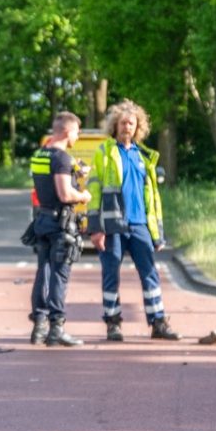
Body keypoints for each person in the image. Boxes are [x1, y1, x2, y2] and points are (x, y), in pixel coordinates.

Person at [87, 100, 178, 342]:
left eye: (132, 123)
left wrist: (157, 233)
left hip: (139, 225)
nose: (127, 126)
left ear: (138, 127)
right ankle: (113, 323)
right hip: (112, 224)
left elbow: (153, 199)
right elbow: (94, 192)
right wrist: (95, 228)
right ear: (115, 126)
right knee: (111, 274)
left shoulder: (145, 157)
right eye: (123, 122)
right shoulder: (105, 152)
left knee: (150, 273)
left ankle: (158, 322)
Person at [28, 110, 92, 347]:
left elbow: (49, 178)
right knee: (59, 274)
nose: (78, 136)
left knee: (42, 272)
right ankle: (57, 327)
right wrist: (83, 195)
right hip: (60, 223)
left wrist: (76, 171)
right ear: (67, 131)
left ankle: (39, 326)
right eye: (77, 131)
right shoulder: (61, 158)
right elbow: (65, 193)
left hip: (42, 219)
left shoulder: (40, 155)